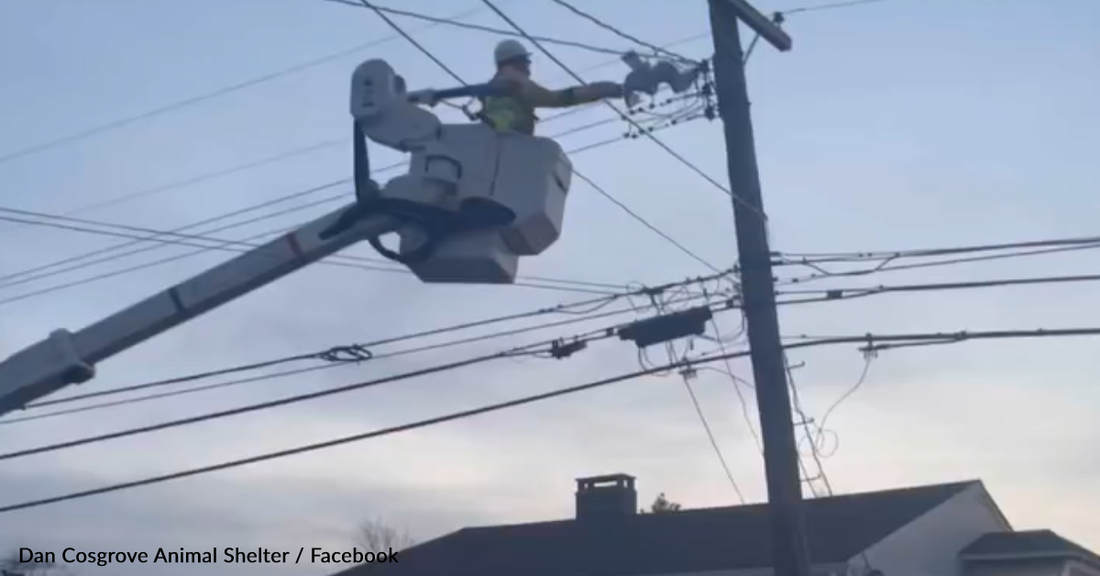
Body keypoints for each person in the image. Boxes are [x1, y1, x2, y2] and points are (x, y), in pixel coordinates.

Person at [478, 39, 625, 135]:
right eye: (526, 62)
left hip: (497, 151)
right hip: (511, 148)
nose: (528, 67)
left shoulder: (491, 89)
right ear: (517, 61)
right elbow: (558, 98)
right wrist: (604, 89)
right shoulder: (515, 81)